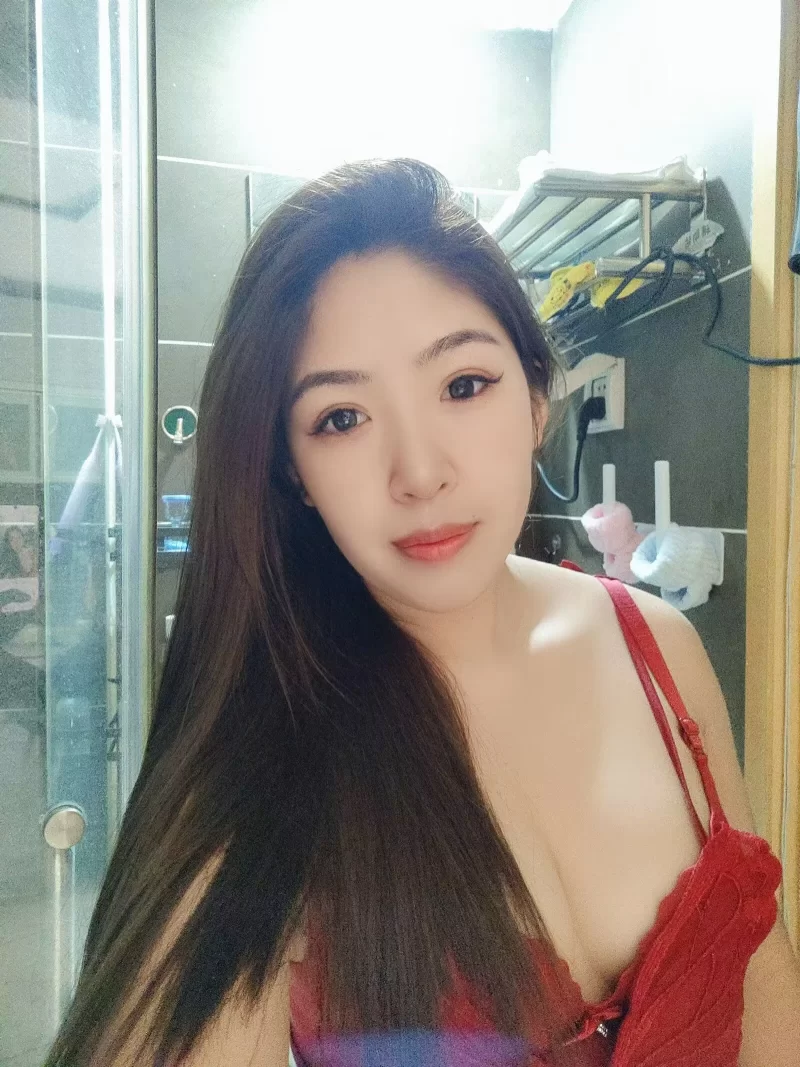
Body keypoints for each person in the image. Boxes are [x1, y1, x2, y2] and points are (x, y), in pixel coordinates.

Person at [44, 158, 800, 1067]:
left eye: (463, 384)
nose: (420, 472)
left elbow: (766, 984)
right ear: (293, 472)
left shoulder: (660, 646)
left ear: (536, 397)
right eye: (341, 417)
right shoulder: (262, 762)